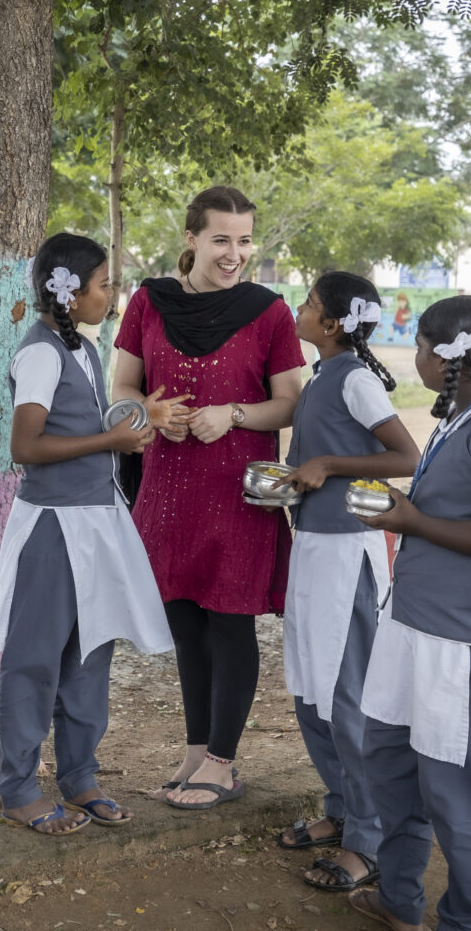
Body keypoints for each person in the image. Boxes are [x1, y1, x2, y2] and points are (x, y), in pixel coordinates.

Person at [349, 295, 471, 931]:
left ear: (442, 358)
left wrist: (414, 519)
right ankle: (398, 897)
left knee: (463, 794)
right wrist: (413, 511)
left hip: (466, 642)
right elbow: (457, 509)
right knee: (393, 762)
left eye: (420, 347)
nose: (415, 358)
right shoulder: (463, 416)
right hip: (417, 625)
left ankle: (466, 920)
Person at [110, 184, 305, 810]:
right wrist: (152, 411)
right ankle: (196, 752)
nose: (235, 253)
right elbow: (123, 385)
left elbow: (291, 402)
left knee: (229, 621)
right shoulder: (148, 301)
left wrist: (236, 415)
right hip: (166, 489)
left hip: (237, 490)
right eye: (221, 239)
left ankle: (223, 763)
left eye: (244, 240)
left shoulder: (270, 312)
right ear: (191, 237)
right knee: (185, 620)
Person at [0, 234, 172, 835]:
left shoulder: (82, 349)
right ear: (70, 289)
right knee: (35, 659)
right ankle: (17, 788)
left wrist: (141, 420)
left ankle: (80, 777)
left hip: (95, 520)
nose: (112, 294)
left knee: (90, 652)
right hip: (53, 525)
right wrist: (111, 442)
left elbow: (89, 425)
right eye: (105, 284)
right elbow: (26, 446)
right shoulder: (39, 353)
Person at [272, 273, 420, 893]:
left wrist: (329, 465)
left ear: (332, 323)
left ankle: (369, 838)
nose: (299, 311)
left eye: (307, 304)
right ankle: (342, 809)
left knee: (346, 696)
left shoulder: (356, 380)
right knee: (309, 688)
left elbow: (405, 456)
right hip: (312, 544)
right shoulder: (322, 377)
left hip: (347, 554)